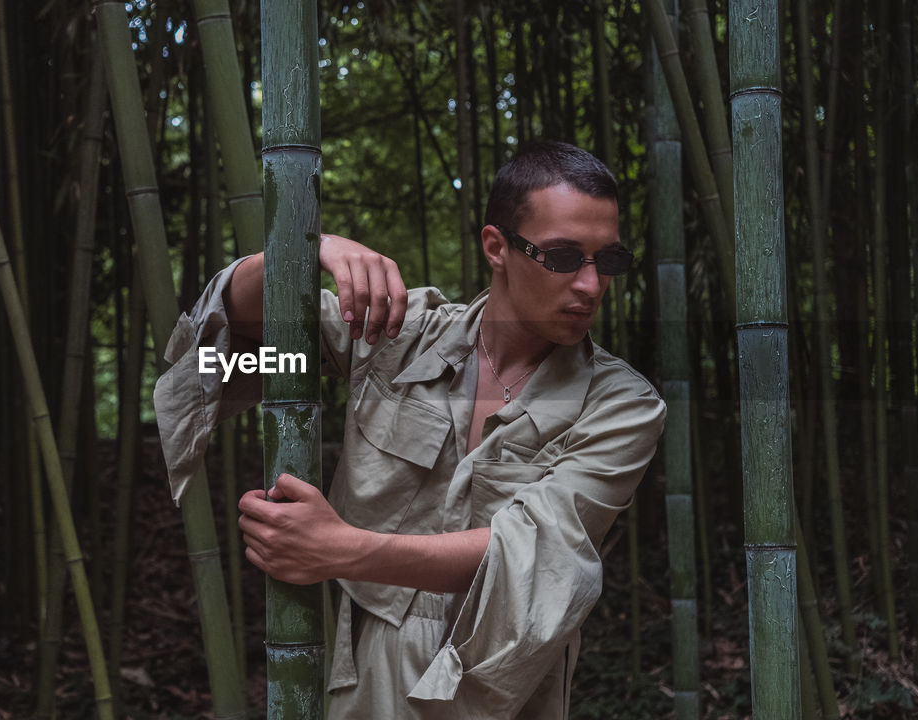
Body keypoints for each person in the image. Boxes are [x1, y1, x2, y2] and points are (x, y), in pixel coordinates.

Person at [153, 139, 665, 718]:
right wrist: (304, 251)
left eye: (609, 261)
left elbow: (536, 550)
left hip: (501, 681)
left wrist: (342, 549)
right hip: (355, 668)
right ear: (497, 247)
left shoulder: (622, 405)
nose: (591, 286)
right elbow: (228, 354)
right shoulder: (395, 338)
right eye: (564, 257)